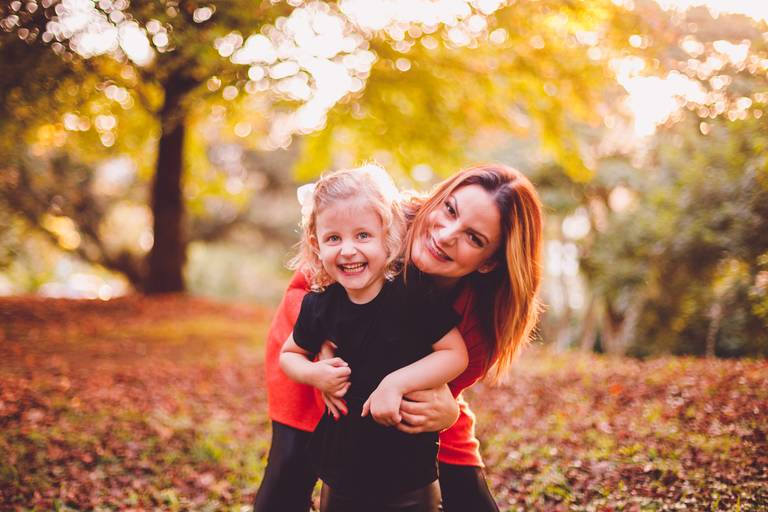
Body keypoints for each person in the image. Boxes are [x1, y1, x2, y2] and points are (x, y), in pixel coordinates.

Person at [253, 163, 543, 512]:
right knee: (288, 472)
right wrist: (324, 350)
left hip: (401, 384)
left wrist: (448, 413)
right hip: (316, 359)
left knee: (468, 495)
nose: (447, 234)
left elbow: (445, 382)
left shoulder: (480, 321)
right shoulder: (378, 220)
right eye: (450, 209)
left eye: (474, 238)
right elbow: (308, 285)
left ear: (489, 263)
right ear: (438, 198)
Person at [278, 164, 469, 511]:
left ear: (389, 236)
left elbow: (455, 354)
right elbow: (289, 354)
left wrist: (395, 383)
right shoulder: (320, 306)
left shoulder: (414, 296)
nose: (348, 250)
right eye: (333, 238)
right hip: (342, 466)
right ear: (316, 243)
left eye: (363, 235)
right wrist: (313, 374)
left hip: (410, 471)